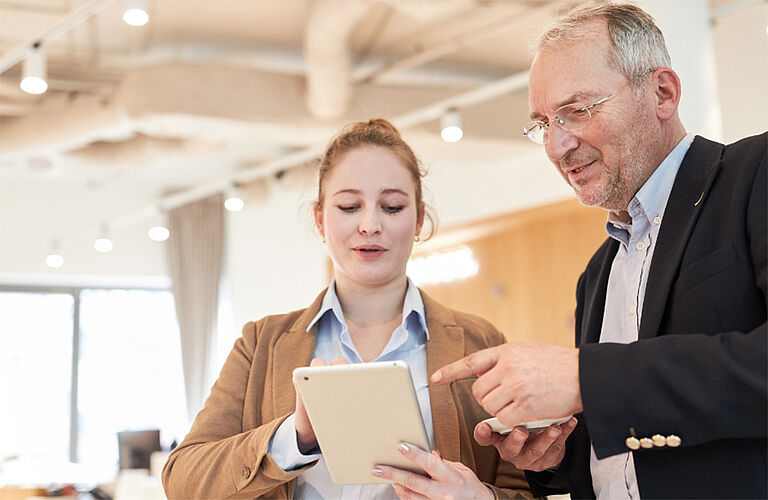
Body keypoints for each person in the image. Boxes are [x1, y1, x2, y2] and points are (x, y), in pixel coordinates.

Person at [431, 3, 767, 499]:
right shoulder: (597, 274)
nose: (556, 146)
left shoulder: (754, 175)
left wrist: (584, 377)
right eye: (544, 122)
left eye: (577, 111)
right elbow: (625, 449)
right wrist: (553, 452)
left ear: (662, 93)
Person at [161, 118, 532, 499]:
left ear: (419, 218)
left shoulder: (478, 342)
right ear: (320, 219)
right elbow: (183, 480)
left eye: (391, 206)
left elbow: (525, 489)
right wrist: (296, 437)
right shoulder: (261, 344)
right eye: (349, 206)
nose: (370, 224)